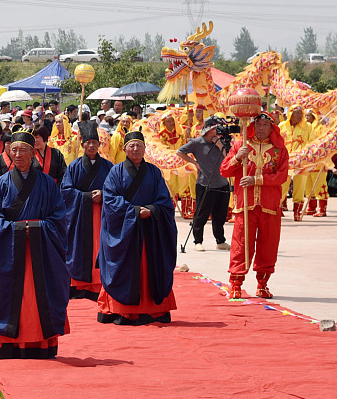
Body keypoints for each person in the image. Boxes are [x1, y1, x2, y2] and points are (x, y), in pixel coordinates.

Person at [0, 128, 69, 358]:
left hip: (41, 253)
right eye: (14, 150)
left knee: (39, 297)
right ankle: (7, 343)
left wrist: (37, 229)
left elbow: (59, 218)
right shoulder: (0, 184)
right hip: (9, 253)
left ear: (33, 153)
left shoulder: (48, 184)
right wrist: (17, 230)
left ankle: (38, 343)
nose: (18, 155)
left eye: (23, 150)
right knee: (10, 295)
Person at [97, 130, 178, 325]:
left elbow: (164, 201)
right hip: (125, 231)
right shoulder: (115, 172)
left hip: (150, 230)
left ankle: (153, 310)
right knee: (123, 267)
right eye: (131, 146)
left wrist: (151, 210)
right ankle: (122, 310)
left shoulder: (153, 172)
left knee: (150, 267)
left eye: (139, 146)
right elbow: (110, 200)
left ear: (144, 149)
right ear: (124, 149)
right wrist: (134, 212)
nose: (135, 149)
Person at [220, 112, 289, 299]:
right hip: (246, 204)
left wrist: (257, 180)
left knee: (269, 245)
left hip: (270, 204)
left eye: (265, 125)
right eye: (258, 124)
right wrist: (236, 158)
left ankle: (263, 284)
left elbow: (282, 176)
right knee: (241, 245)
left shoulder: (279, 149)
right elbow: (224, 171)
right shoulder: (240, 145)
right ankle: (235, 284)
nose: (260, 128)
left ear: (272, 127)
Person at [61, 122, 114, 300]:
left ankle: (100, 283)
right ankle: (79, 285)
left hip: (102, 214)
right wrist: (86, 197)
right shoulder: (74, 166)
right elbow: (66, 191)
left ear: (99, 144)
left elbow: (117, 190)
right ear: (82, 145)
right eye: (88, 142)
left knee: (101, 246)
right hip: (80, 216)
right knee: (79, 248)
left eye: (94, 142)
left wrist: (104, 193)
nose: (91, 145)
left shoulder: (108, 166)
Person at [176, 117, 232, 252]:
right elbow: (179, 152)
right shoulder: (197, 142)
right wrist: (194, 163)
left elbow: (229, 158)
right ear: (208, 129)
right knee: (202, 213)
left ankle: (220, 240)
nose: (217, 131)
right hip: (205, 183)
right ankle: (198, 241)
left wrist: (220, 145)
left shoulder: (222, 142)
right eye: (215, 128)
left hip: (222, 183)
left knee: (220, 215)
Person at [278, 106, 314, 220]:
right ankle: (277, 211)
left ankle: (297, 214)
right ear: (290, 114)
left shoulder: (308, 126)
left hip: (301, 162)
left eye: (301, 113)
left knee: (300, 187)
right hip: (284, 161)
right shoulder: (282, 126)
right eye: (296, 113)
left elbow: (313, 142)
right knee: (281, 186)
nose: (299, 115)